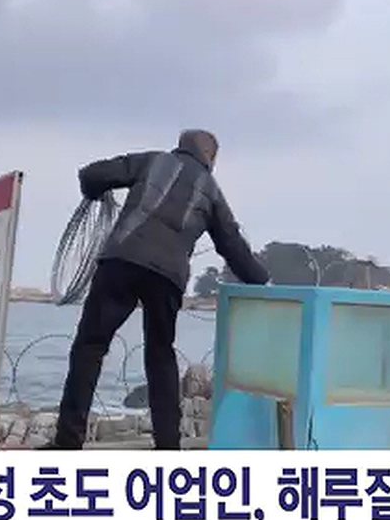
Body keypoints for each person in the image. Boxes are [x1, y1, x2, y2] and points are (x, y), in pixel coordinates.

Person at [46, 129, 270, 450]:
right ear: (211, 158)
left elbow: (92, 175)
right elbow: (233, 246)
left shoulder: (152, 161)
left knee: (90, 347)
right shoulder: (211, 192)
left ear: (180, 146)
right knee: (160, 356)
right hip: (167, 277)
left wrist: (94, 191)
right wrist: (263, 281)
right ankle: (168, 447)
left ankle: (68, 442)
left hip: (121, 261)